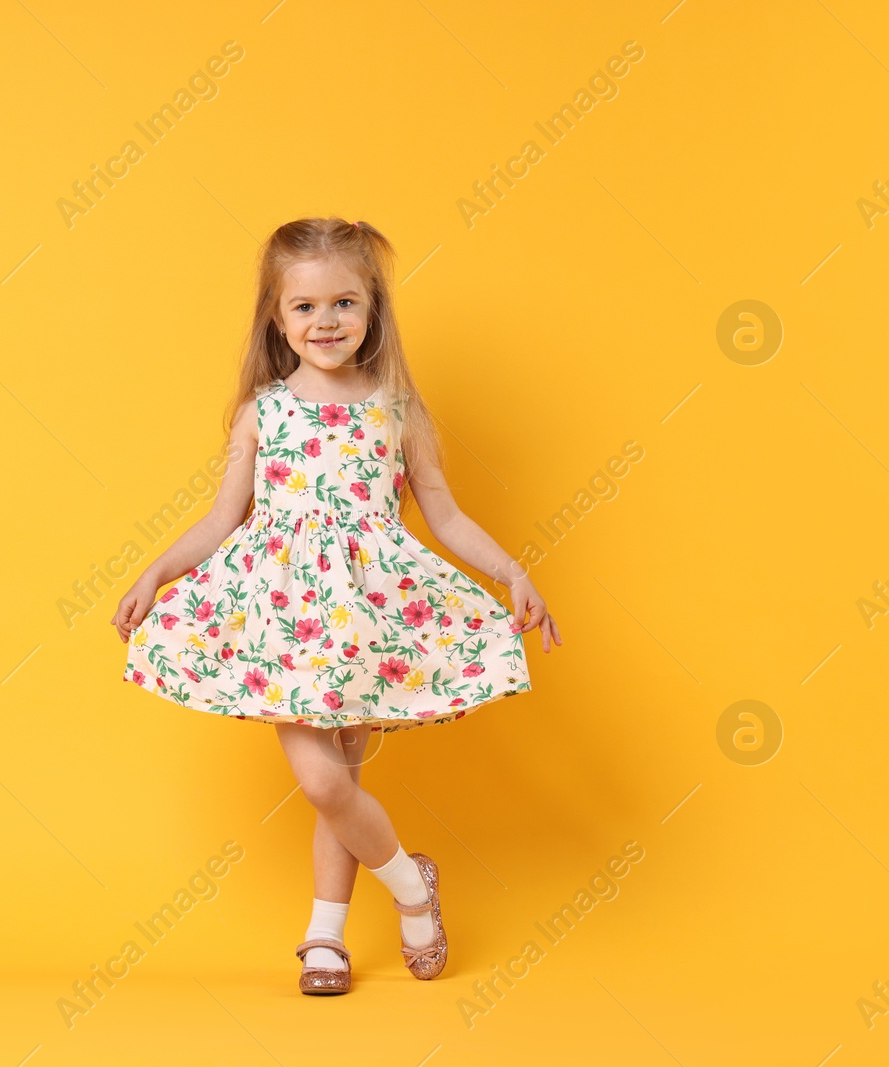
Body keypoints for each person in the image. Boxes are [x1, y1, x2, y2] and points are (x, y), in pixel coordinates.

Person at [111, 216, 561, 995]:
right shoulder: (265, 411)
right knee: (324, 780)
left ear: (373, 311)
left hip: (365, 617)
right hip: (285, 618)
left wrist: (512, 571)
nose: (325, 322)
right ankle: (413, 886)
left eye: (344, 303)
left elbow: (445, 515)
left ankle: (325, 937)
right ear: (277, 319)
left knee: (339, 782)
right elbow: (224, 517)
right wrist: (156, 571)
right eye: (305, 307)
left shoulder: (397, 408)